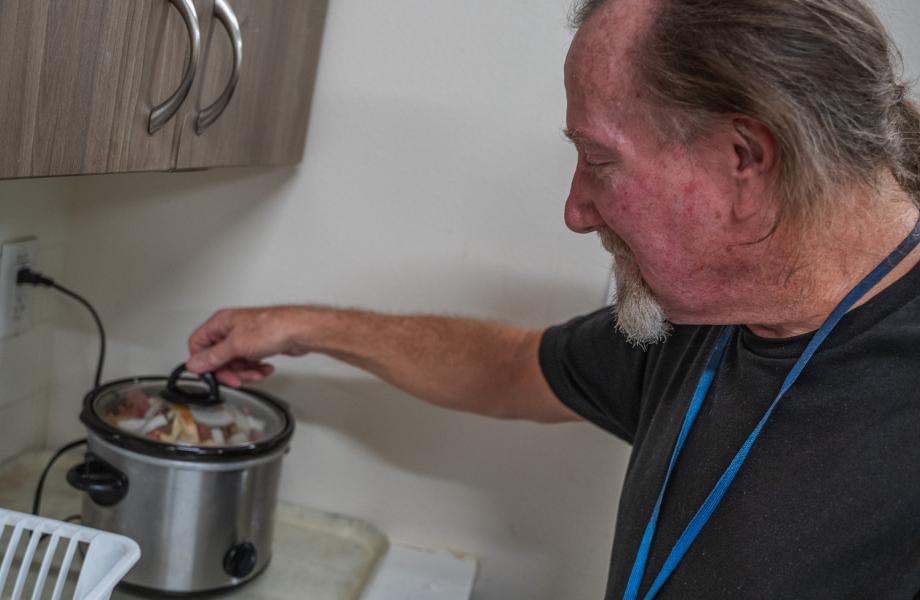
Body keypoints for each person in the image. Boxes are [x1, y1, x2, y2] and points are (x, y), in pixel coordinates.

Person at [185, 0, 920, 597]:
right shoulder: (713, 312)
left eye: (600, 160)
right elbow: (512, 369)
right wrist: (301, 326)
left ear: (744, 160)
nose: (576, 210)